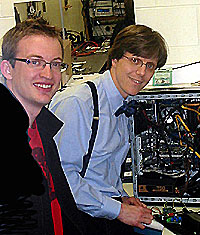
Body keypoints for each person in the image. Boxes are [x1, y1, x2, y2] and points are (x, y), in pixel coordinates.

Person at [49, 24, 168, 234]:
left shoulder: (124, 103)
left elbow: (101, 169)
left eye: (150, 66)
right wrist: (119, 210)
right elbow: (62, 179)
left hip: (101, 209)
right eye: (135, 60)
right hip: (77, 218)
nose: (142, 72)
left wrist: (121, 197)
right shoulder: (79, 103)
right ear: (114, 59)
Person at [0, 18, 90, 234]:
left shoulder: (42, 127)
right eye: (34, 61)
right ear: (7, 69)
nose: (48, 74)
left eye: (55, 64)